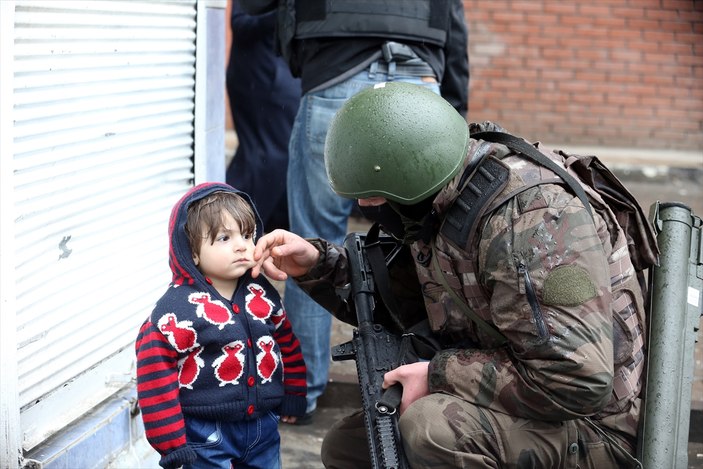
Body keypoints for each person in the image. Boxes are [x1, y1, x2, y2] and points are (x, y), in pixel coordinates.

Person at [252, 82, 651, 468]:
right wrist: (316, 264)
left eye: (375, 196)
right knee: (350, 448)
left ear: (408, 178)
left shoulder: (531, 222)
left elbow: (575, 380)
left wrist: (438, 375)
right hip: (533, 400)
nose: (365, 205)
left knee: (432, 429)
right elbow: (402, 301)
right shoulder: (445, 198)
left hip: (595, 428)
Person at [239, 0, 470, 423]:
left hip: (333, 72)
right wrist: (455, 111)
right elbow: (451, 18)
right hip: (419, 79)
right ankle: (418, 381)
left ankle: (300, 393)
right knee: (426, 240)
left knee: (308, 239)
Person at [134, 182, 307, 469]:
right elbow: (155, 379)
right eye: (224, 238)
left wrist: (294, 393)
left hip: (263, 427)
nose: (242, 245)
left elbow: (286, 344)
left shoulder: (262, 293)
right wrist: (172, 445)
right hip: (204, 433)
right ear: (192, 253)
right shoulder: (175, 313)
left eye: (248, 234)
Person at [225, 1, 301, 231]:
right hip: (260, 79)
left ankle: (264, 237)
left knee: (284, 159)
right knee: (267, 156)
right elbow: (241, 24)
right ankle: (230, 228)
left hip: (287, 77)